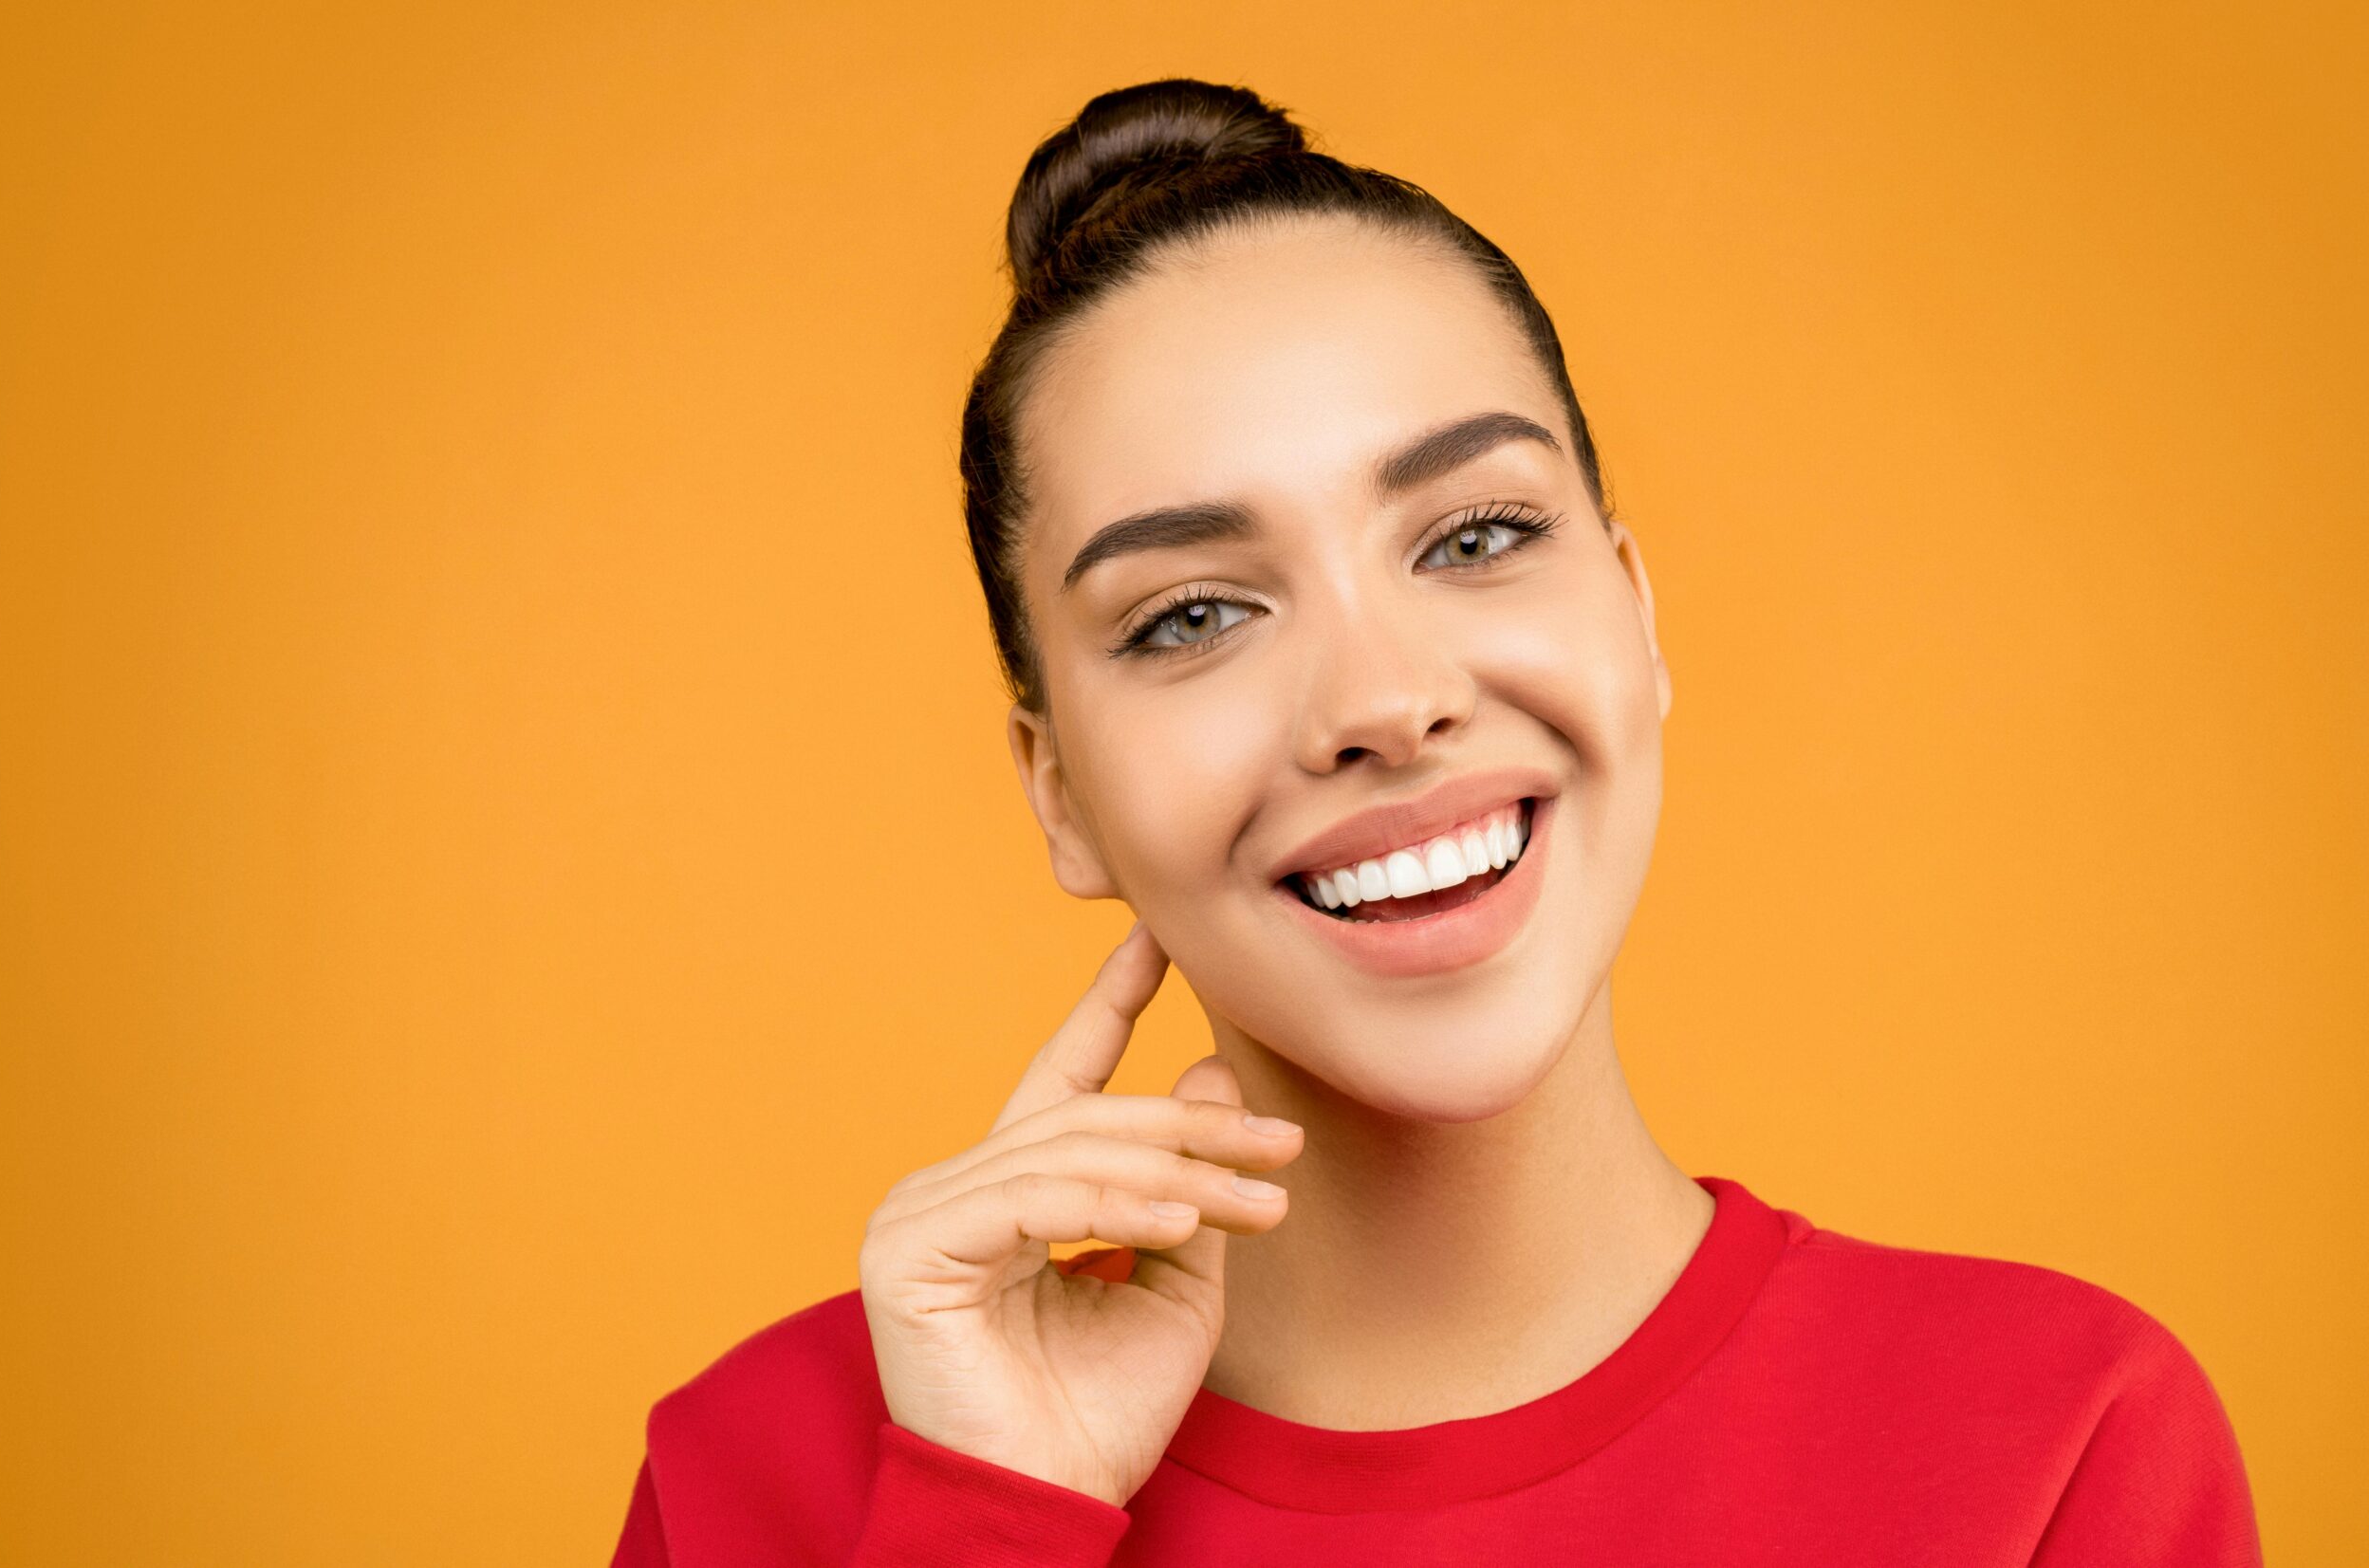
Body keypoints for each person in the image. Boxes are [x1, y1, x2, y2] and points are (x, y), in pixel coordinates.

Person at [607, 78, 2261, 1565]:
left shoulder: (2061, 1447)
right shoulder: (761, 1479)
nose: (1384, 701)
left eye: (1473, 533)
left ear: (1633, 614)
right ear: (1063, 793)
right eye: (1192, 616)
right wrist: (986, 1524)